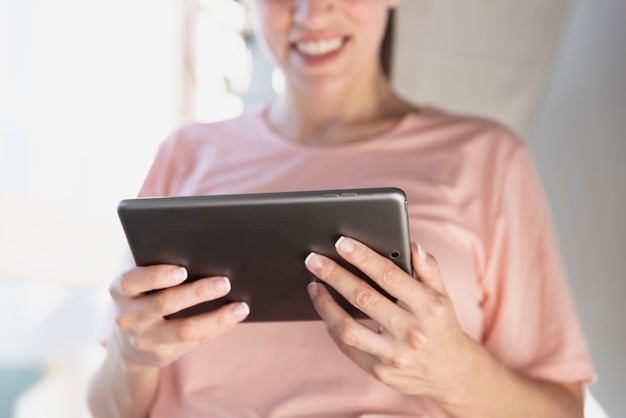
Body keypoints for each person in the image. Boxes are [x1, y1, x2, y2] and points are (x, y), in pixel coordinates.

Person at [88, 1, 596, 417]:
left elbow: (563, 410)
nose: (313, 12)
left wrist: (456, 371)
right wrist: (133, 355)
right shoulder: (186, 154)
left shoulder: (487, 157)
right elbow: (108, 407)